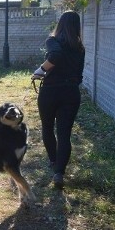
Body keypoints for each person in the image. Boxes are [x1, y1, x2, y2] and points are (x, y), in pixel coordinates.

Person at [31, 11, 85, 188]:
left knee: (47, 127)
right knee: (64, 134)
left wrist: (40, 71)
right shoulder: (80, 48)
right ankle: (59, 173)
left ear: (60, 24)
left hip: (50, 92)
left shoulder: (52, 41)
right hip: (71, 93)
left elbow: (55, 56)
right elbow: (79, 76)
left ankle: (54, 162)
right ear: (77, 26)